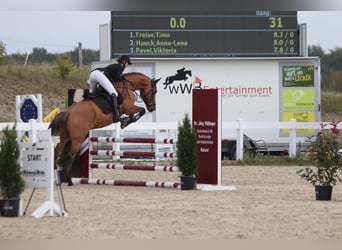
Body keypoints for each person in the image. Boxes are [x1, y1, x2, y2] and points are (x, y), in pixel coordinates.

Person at [87, 55, 132, 122]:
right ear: (124, 62)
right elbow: (116, 78)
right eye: (128, 63)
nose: (127, 65)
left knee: (93, 94)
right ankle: (116, 116)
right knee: (114, 93)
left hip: (93, 74)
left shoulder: (114, 65)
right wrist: (123, 77)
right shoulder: (120, 66)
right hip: (98, 75)